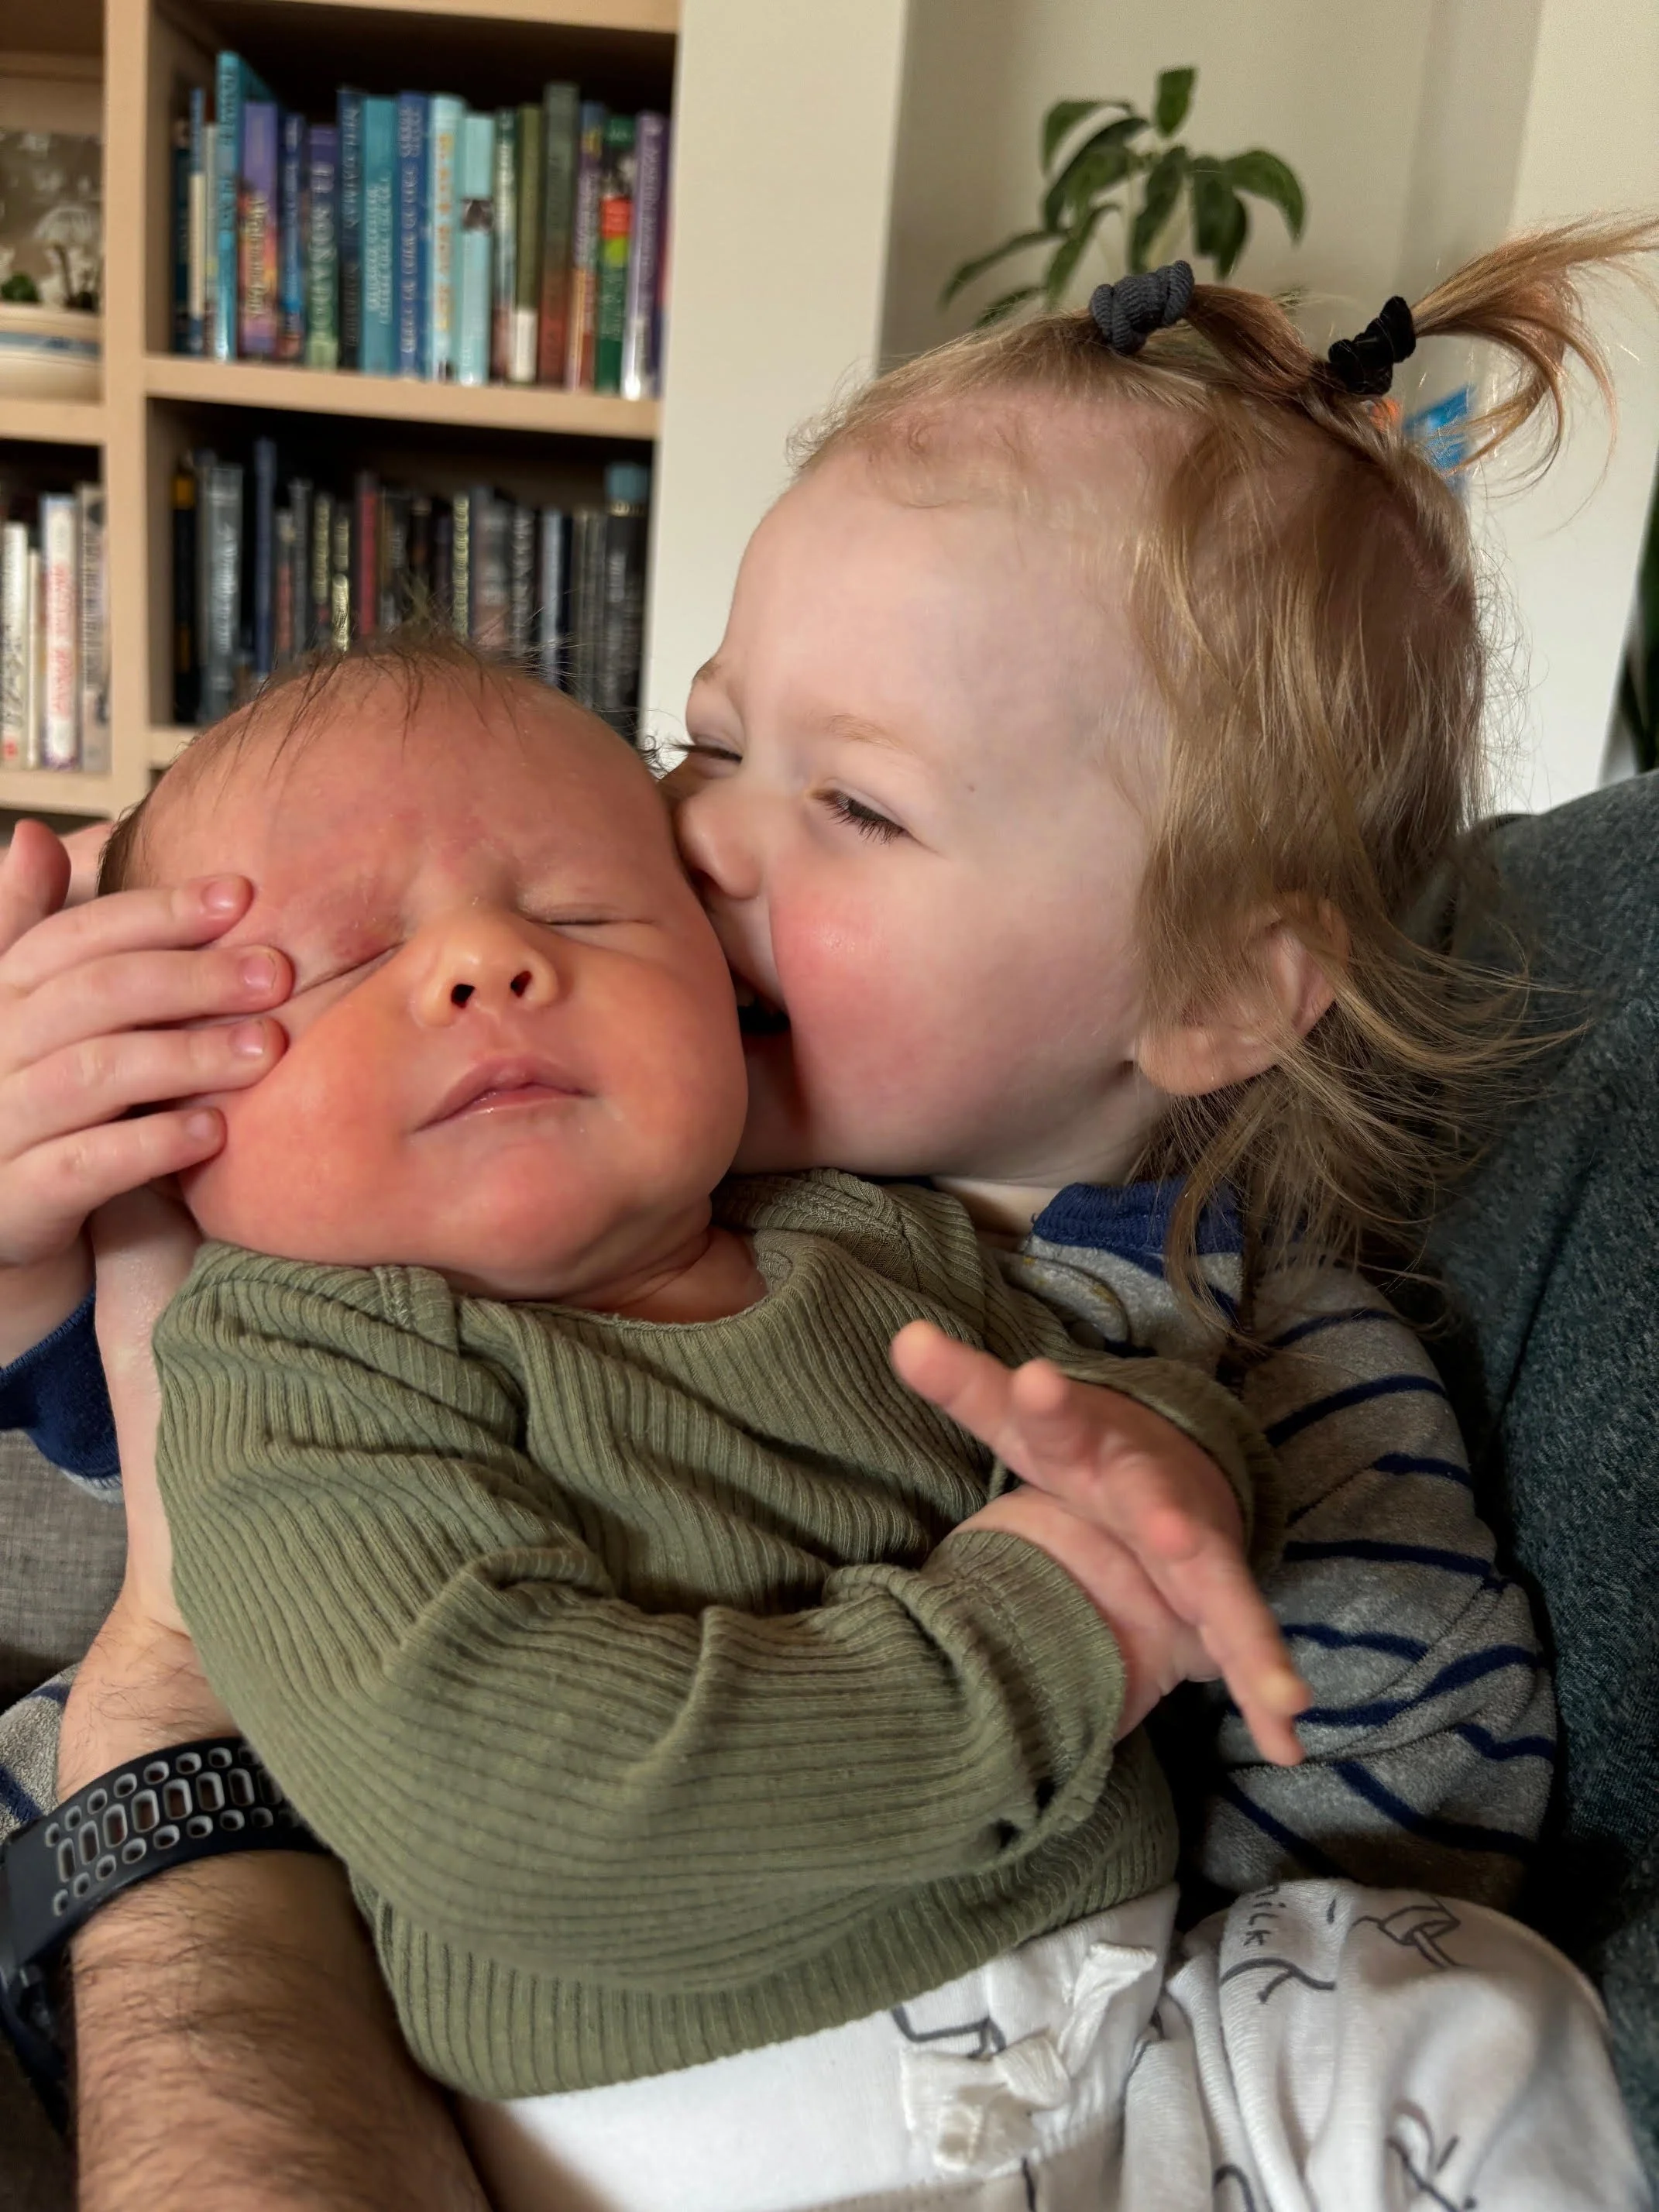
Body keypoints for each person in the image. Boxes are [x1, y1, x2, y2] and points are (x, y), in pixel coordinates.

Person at [0, 213, 1650, 2203]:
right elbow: (215, 1414)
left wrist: (1184, 1481)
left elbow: (1402, 1753)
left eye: (853, 805)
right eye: (706, 740)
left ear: (1211, 991)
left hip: (1143, 2032)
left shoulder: (1234, 1307)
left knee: (1466, 2001)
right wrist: (42, 1252)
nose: (688, 834)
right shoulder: (520, 1201)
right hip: (659, 2061)